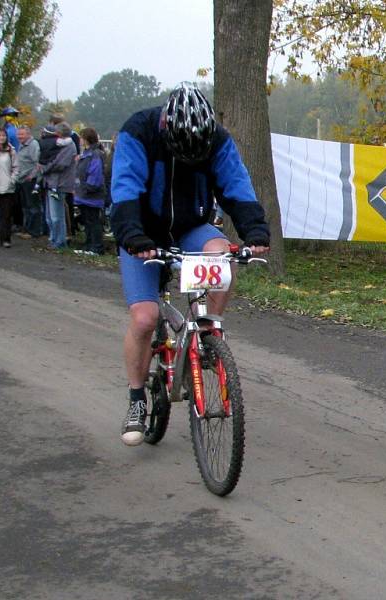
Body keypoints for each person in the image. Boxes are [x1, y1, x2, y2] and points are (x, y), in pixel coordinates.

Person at [111, 82, 269, 446]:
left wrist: (256, 232)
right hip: (143, 232)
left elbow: (237, 188)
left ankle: (209, 331)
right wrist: (134, 237)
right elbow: (124, 191)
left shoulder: (216, 139)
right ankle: (137, 397)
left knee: (221, 253)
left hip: (189, 226)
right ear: (167, 128)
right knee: (145, 318)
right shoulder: (140, 131)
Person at [39, 122, 77, 249]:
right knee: (49, 216)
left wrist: (45, 168)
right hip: (51, 182)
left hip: (60, 183)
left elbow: (60, 164)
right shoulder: (59, 145)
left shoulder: (69, 146)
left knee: (57, 216)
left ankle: (60, 242)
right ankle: (53, 238)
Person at [73, 128, 107, 255]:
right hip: (83, 194)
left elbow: (96, 173)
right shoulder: (86, 153)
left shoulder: (95, 154)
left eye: (81, 137)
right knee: (87, 221)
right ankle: (88, 245)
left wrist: (88, 187)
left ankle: (96, 247)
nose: (80, 140)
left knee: (94, 222)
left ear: (86, 139)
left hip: (91, 195)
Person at [14, 125, 42, 239]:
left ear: (28, 134)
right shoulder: (22, 144)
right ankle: (27, 229)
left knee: (33, 206)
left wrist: (32, 176)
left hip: (30, 181)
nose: (19, 136)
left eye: (21, 134)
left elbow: (38, 163)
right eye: (18, 134)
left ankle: (34, 231)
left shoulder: (33, 145)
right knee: (25, 206)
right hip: (21, 180)